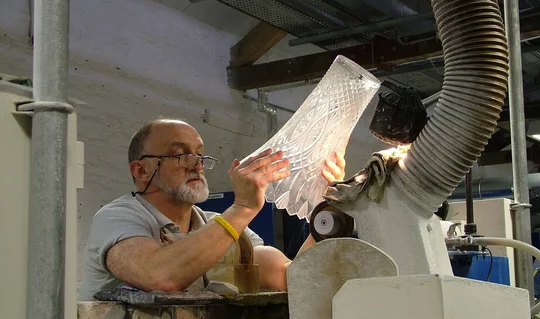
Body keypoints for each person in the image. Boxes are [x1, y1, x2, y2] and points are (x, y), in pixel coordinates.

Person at [79, 118, 345, 300]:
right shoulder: (118, 217)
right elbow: (160, 276)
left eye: (200, 155)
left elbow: (292, 278)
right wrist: (242, 208)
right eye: (180, 154)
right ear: (141, 169)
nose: (196, 164)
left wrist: (329, 207)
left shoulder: (216, 226)